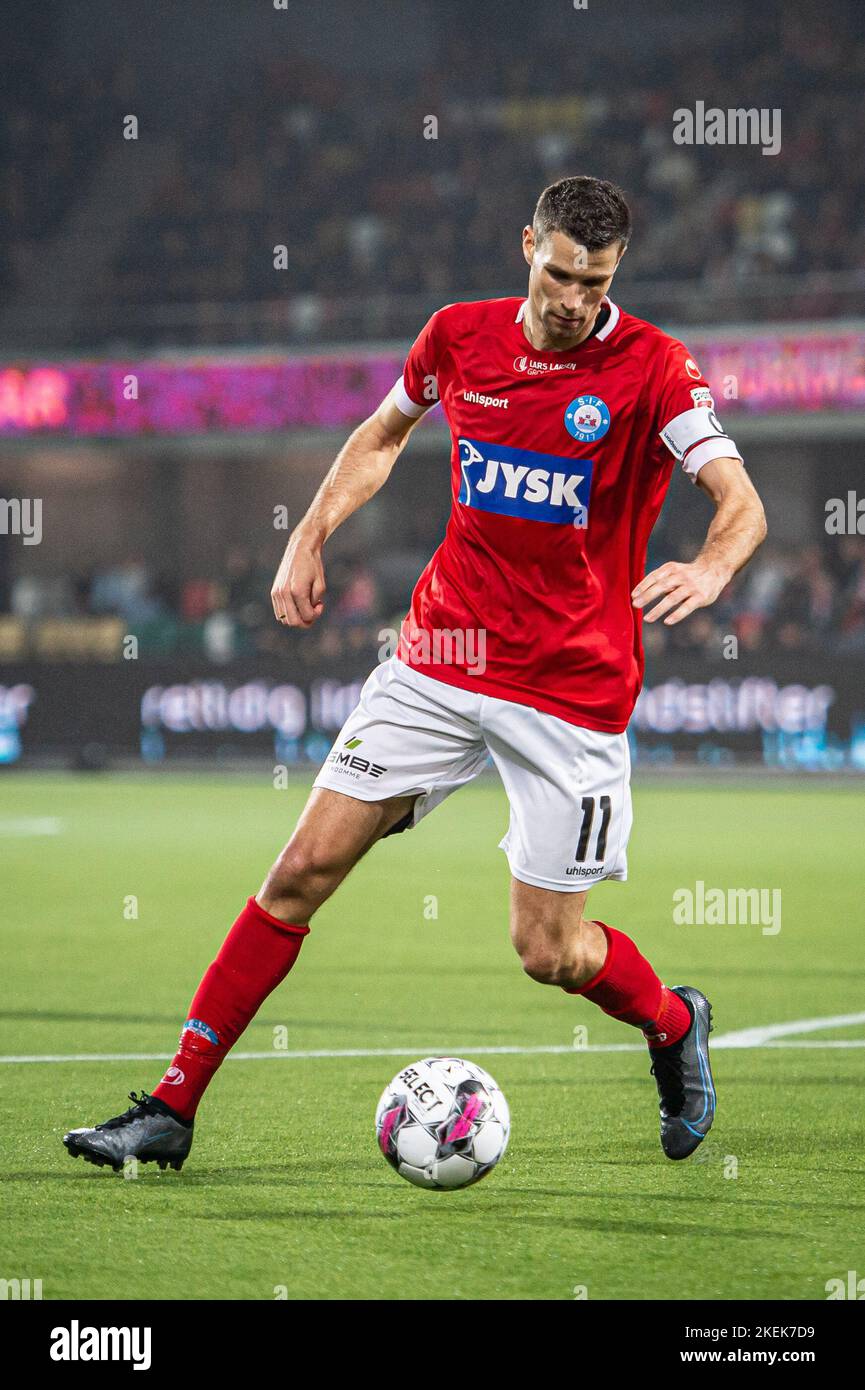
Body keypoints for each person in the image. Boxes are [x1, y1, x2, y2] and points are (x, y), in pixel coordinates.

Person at [64, 176, 766, 1173]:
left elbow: (735, 495)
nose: (573, 299)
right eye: (559, 273)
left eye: (595, 283)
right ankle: (170, 1107)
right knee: (299, 872)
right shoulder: (457, 337)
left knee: (549, 953)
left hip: (569, 689)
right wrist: (308, 533)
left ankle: (669, 1020)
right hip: (442, 652)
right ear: (528, 244)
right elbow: (385, 431)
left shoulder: (654, 368)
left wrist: (711, 565)